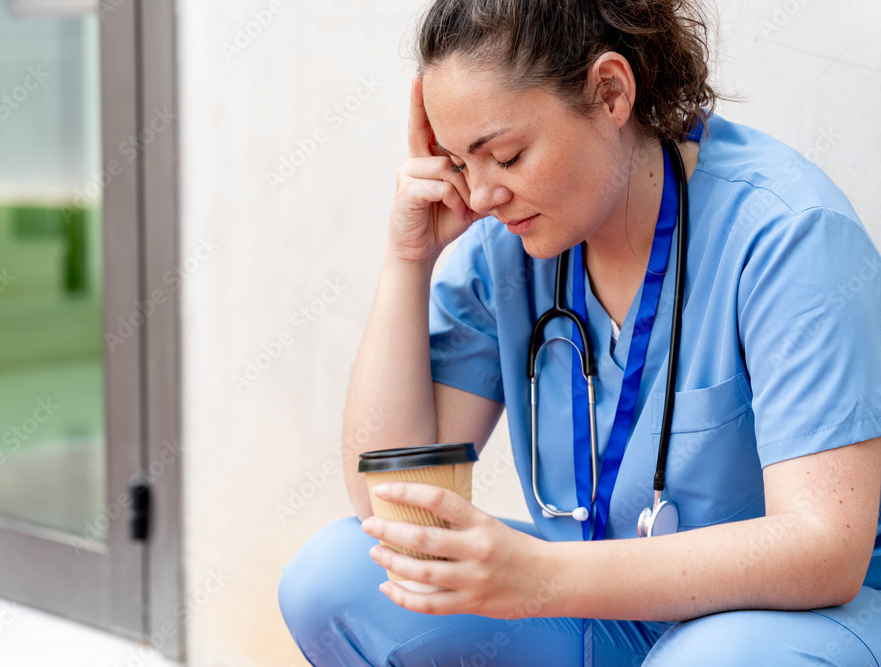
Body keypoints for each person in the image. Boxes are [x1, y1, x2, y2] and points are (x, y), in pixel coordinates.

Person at [278, 0, 881, 664]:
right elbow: (391, 509)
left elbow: (827, 548)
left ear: (611, 93)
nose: (479, 196)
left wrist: (537, 577)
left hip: (780, 625)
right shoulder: (506, 252)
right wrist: (408, 261)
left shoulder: (787, 235)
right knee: (333, 577)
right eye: (459, 161)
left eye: (504, 155)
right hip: (603, 613)